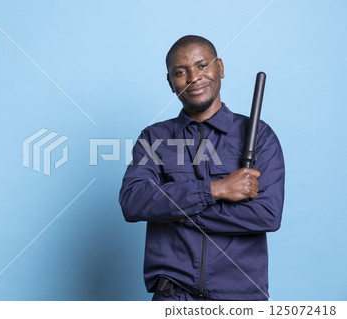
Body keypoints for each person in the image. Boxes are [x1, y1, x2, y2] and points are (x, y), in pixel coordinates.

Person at [119, 35, 285, 301]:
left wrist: (179, 214)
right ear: (170, 82)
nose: (193, 78)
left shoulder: (260, 136)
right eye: (180, 72)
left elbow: (266, 215)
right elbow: (133, 202)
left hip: (240, 298)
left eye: (202, 66)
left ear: (219, 67)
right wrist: (215, 189)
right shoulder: (153, 138)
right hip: (173, 296)